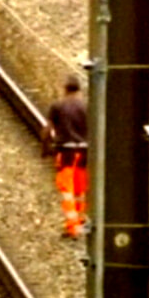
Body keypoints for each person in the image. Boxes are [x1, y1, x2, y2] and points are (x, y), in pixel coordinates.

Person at [42, 75, 88, 239]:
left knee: (67, 190)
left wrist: (45, 147)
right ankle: (80, 221)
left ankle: (73, 228)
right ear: (78, 89)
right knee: (80, 189)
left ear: (65, 88)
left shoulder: (58, 106)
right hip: (84, 152)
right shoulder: (86, 106)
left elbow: (48, 129)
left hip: (66, 152)